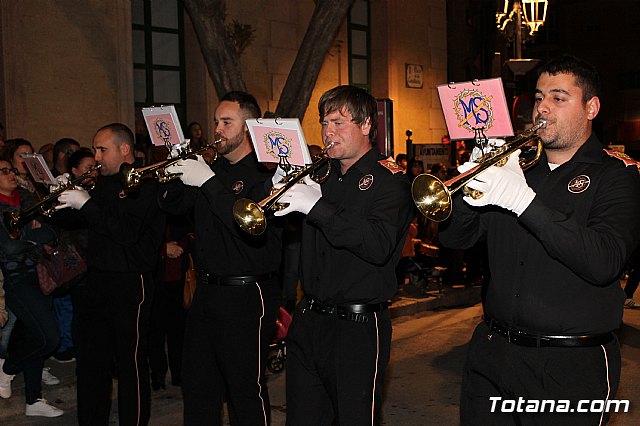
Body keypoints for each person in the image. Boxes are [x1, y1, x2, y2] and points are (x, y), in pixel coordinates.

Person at [438, 55, 640, 425]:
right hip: (492, 353)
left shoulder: (617, 175)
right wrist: (468, 189)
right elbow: (457, 238)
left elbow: (604, 261)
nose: (542, 107)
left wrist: (522, 200)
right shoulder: (516, 169)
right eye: (539, 97)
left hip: (569, 365)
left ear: (591, 107)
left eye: (559, 98)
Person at [273, 85, 413, 424]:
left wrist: (315, 206)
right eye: (324, 123)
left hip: (358, 324)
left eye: (338, 122)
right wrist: (276, 188)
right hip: (310, 319)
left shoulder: (389, 181)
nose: (328, 132)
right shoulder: (323, 174)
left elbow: (378, 245)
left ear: (366, 125)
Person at [160, 91, 282, 425]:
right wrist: (174, 171)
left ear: (249, 127)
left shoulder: (265, 175)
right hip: (207, 290)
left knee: (244, 389)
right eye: (216, 121)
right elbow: (173, 206)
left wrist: (209, 183)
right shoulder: (212, 170)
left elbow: (250, 228)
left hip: (247, 293)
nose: (218, 129)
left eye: (227, 122)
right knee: (198, 386)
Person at [53, 123, 165, 425]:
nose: (97, 156)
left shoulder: (144, 184)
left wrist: (87, 204)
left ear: (124, 149)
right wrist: (57, 193)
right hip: (96, 281)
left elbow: (126, 232)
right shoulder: (99, 183)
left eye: (102, 149)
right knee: (91, 363)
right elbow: (72, 221)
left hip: (131, 281)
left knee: (131, 364)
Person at [0, 159, 63, 417]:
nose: (11, 174)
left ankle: (33, 399)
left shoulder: (26, 200)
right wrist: (35, 239)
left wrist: (31, 238)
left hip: (39, 275)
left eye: (11, 170)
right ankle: (8, 369)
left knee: (34, 336)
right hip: (15, 282)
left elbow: (52, 233)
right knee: (50, 338)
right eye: (4, 171)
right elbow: (8, 248)